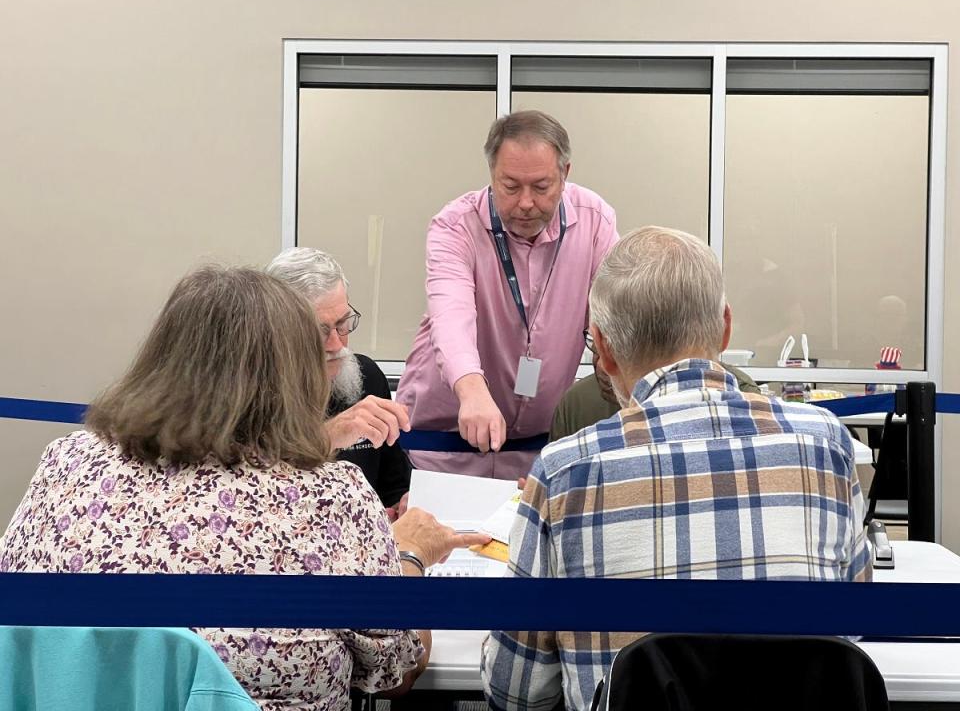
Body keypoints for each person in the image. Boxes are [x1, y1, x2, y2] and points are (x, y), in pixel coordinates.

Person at [0, 266, 489, 711]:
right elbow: (395, 673)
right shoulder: (333, 498)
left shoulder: (66, 462)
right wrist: (411, 555)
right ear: (294, 375)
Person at [482, 227, 871, 711]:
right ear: (726, 328)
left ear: (601, 349)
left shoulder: (564, 472)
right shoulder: (827, 444)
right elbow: (849, 631)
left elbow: (516, 692)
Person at [397, 110, 618, 479]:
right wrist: (471, 390)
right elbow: (451, 316)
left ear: (565, 174)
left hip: (533, 455)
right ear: (491, 175)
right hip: (440, 449)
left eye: (541, 187)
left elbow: (612, 316)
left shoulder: (595, 221)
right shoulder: (455, 226)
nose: (526, 202)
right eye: (510, 187)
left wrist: (612, 365)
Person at [267, 247, 412, 514]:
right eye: (318, 330)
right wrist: (327, 437)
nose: (336, 344)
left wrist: (404, 503)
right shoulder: (247, 392)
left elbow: (393, 485)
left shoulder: (366, 378)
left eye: (343, 324)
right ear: (277, 330)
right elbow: (246, 486)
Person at [549, 330, 762, 442]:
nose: (602, 365)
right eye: (596, 346)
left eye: (617, 348)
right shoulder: (577, 403)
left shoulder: (738, 393)